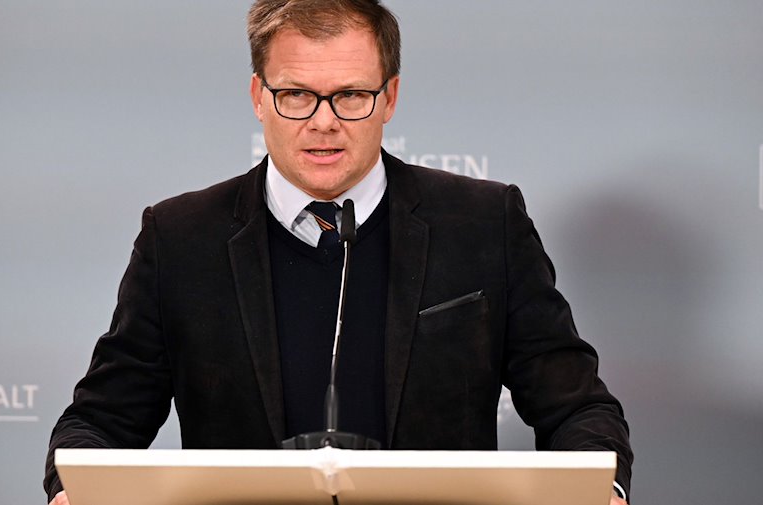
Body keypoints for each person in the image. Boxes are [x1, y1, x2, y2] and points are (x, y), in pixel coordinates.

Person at [44, 1, 633, 504]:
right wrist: (71, 489)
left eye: (351, 95)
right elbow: (99, 423)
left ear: (390, 97)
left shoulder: (482, 224)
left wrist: (600, 491)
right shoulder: (180, 238)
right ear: (258, 96)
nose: (323, 123)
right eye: (296, 95)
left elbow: (577, 410)